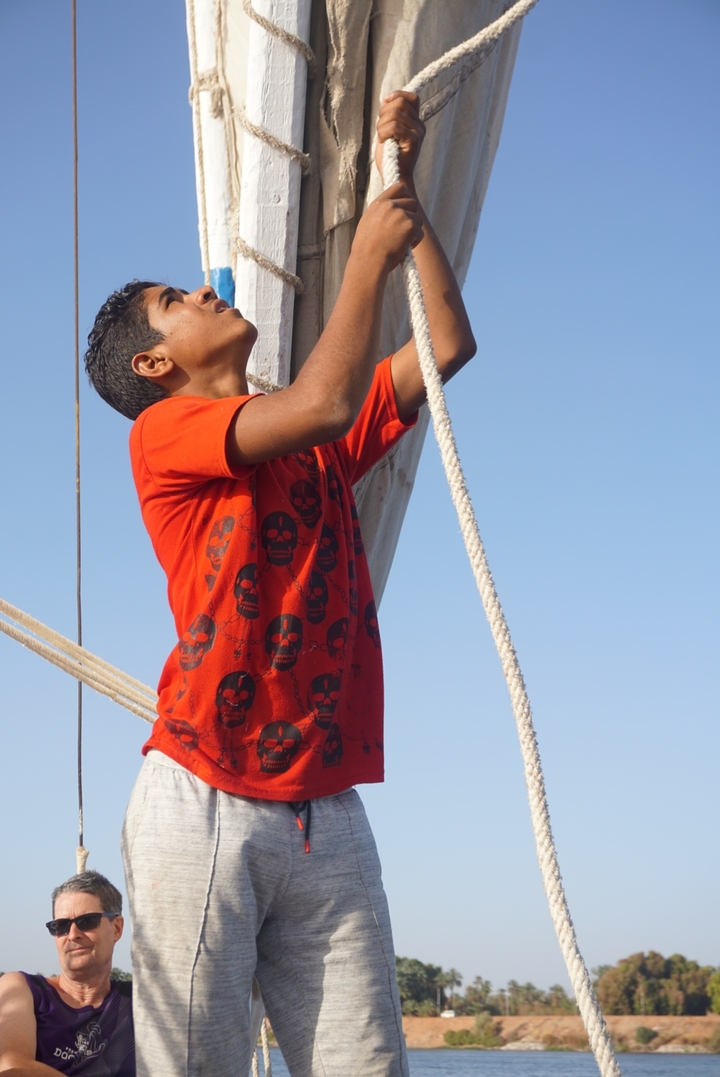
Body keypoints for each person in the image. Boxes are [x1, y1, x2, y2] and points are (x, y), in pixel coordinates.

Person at [84, 92, 476, 1077]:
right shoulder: (162, 436)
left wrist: (406, 200)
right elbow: (324, 398)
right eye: (179, 302)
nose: (206, 295)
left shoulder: (311, 442)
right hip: (205, 789)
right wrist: (362, 261)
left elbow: (448, 347)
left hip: (327, 806)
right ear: (154, 362)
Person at [0, 871, 134, 1077]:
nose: (72, 934)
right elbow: (12, 1068)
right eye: (61, 926)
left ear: (117, 928)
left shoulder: (138, 1001)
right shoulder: (22, 989)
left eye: (87, 921)